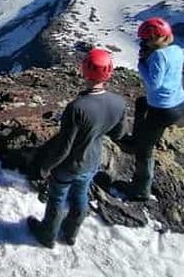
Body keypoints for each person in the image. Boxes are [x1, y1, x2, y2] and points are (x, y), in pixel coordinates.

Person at [28, 48, 126, 248]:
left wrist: (45, 168)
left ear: (84, 71)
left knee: (57, 197)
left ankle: (47, 235)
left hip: (69, 164)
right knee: (81, 194)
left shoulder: (77, 107)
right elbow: (118, 134)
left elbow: (64, 147)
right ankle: (71, 233)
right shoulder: (119, 102)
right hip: (93, 160)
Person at [127, 17, 184, 201]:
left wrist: (142, 64)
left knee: (144, 151)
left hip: (163, 108)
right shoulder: (176, 50)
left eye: (147, 39)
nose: (144, 42)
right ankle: (142, 136)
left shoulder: (158, 56)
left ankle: (141, 189)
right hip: (180, 102)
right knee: (141, 103)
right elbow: (182, 60)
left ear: (157, 38)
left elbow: (153, 84)